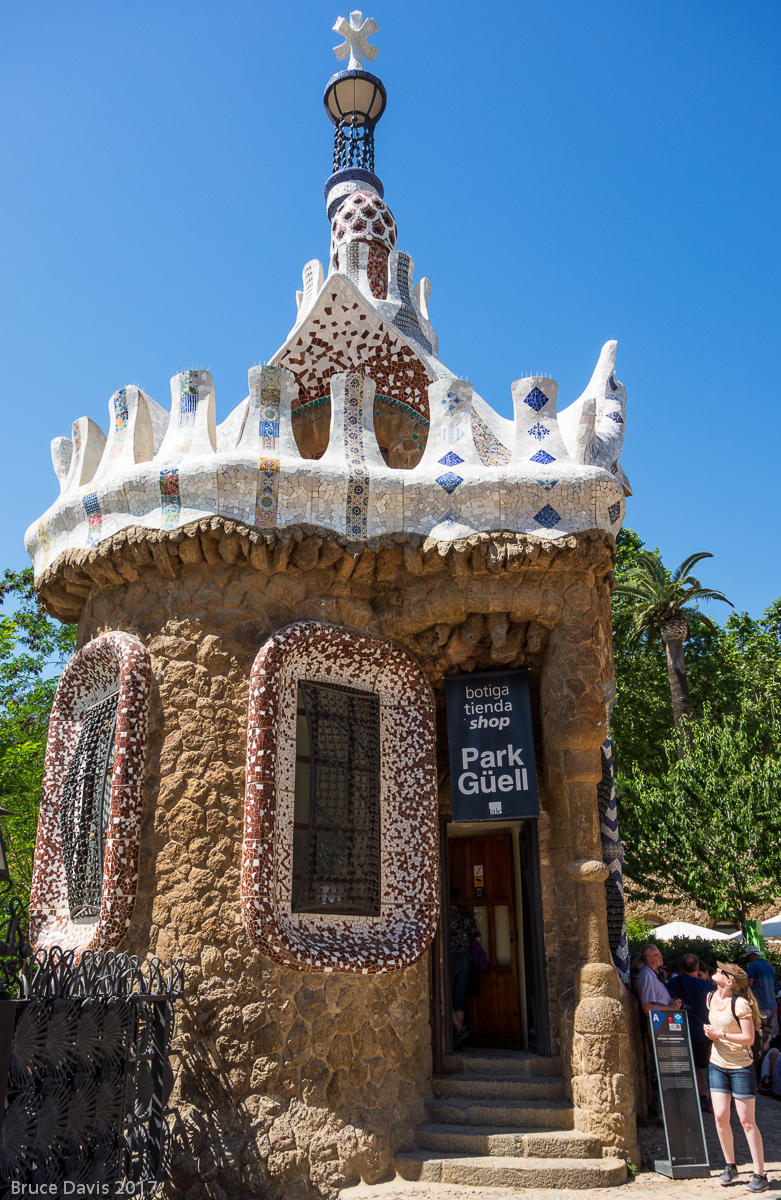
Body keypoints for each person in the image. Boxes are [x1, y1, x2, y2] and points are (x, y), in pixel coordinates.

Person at [703, 961, 768, 1192]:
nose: (717, 971)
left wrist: (719, 1034)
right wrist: (712, 1035)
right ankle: (730, 1165)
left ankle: (760, 1174)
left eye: (722, 971)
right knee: (720, 1116)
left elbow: (749, 1038)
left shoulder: (740, 1004)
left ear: (729, 981)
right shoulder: (710, 997)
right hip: (717, 1064)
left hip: (741, 1066)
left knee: (746, 1121)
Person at [669, 951, 715, 1110]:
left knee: (695, 1066)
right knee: (710, 1066)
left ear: (682, 967)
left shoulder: (676, 982)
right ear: (698, 967)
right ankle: (711, 1098)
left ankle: (701, 1095)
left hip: (684, 1028)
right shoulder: (709, 986)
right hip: (707, 1029)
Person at [448, 887, 481, 1047]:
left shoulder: (446, 917)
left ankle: (459, 1030)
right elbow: (478, 937)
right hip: (465, 959)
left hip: (450, 959)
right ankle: (457, 1039)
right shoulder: (467, 917)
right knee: (459, 999)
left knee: (446, 997)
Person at [746, 947, 778, 1058]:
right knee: (773, 1035)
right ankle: (772, 1060)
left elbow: (749, 984)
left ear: (752, 955)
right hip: (773, 1004)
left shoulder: (752, 966)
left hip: (760, 1006)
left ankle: (761, 1060)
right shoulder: (769, 966)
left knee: (760, 1035)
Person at [634, 944, 682, 1014]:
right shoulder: (647, 976)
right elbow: (647, 1008)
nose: (661, 957)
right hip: (659, 1022)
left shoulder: (653, 974)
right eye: (657, 955)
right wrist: (671, 1008)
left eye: (660, 954)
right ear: (648, 958)